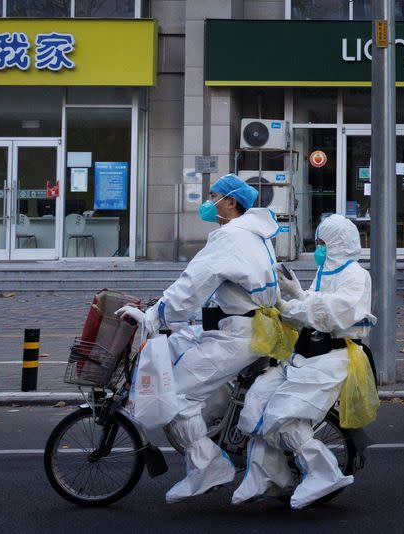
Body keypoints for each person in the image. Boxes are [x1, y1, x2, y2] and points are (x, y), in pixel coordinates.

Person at [116, 173, 281, 503]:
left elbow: (193, 282)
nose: (208, 202)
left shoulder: (231, 236)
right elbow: (214, 288)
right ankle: (210, 436)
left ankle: (208, 467)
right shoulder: (250, 233)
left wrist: (155, 315)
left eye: (213, 195)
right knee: (178, 348)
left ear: (231, 202)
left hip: (237, 335)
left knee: (174, 398)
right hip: (238, 327)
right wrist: (174, 316)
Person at [232, 214, 376, 509]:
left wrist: (298, 297)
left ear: (338, 243)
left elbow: (335, 313)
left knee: (283, 415)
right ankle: (265, 474)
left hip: (331, 357)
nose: (319, 248)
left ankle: (324, 474)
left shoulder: (356, 276)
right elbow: (310, 305)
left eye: (323, 243)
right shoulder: (327, 271)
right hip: (304, 354)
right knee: (257, 401)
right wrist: (285, 302)